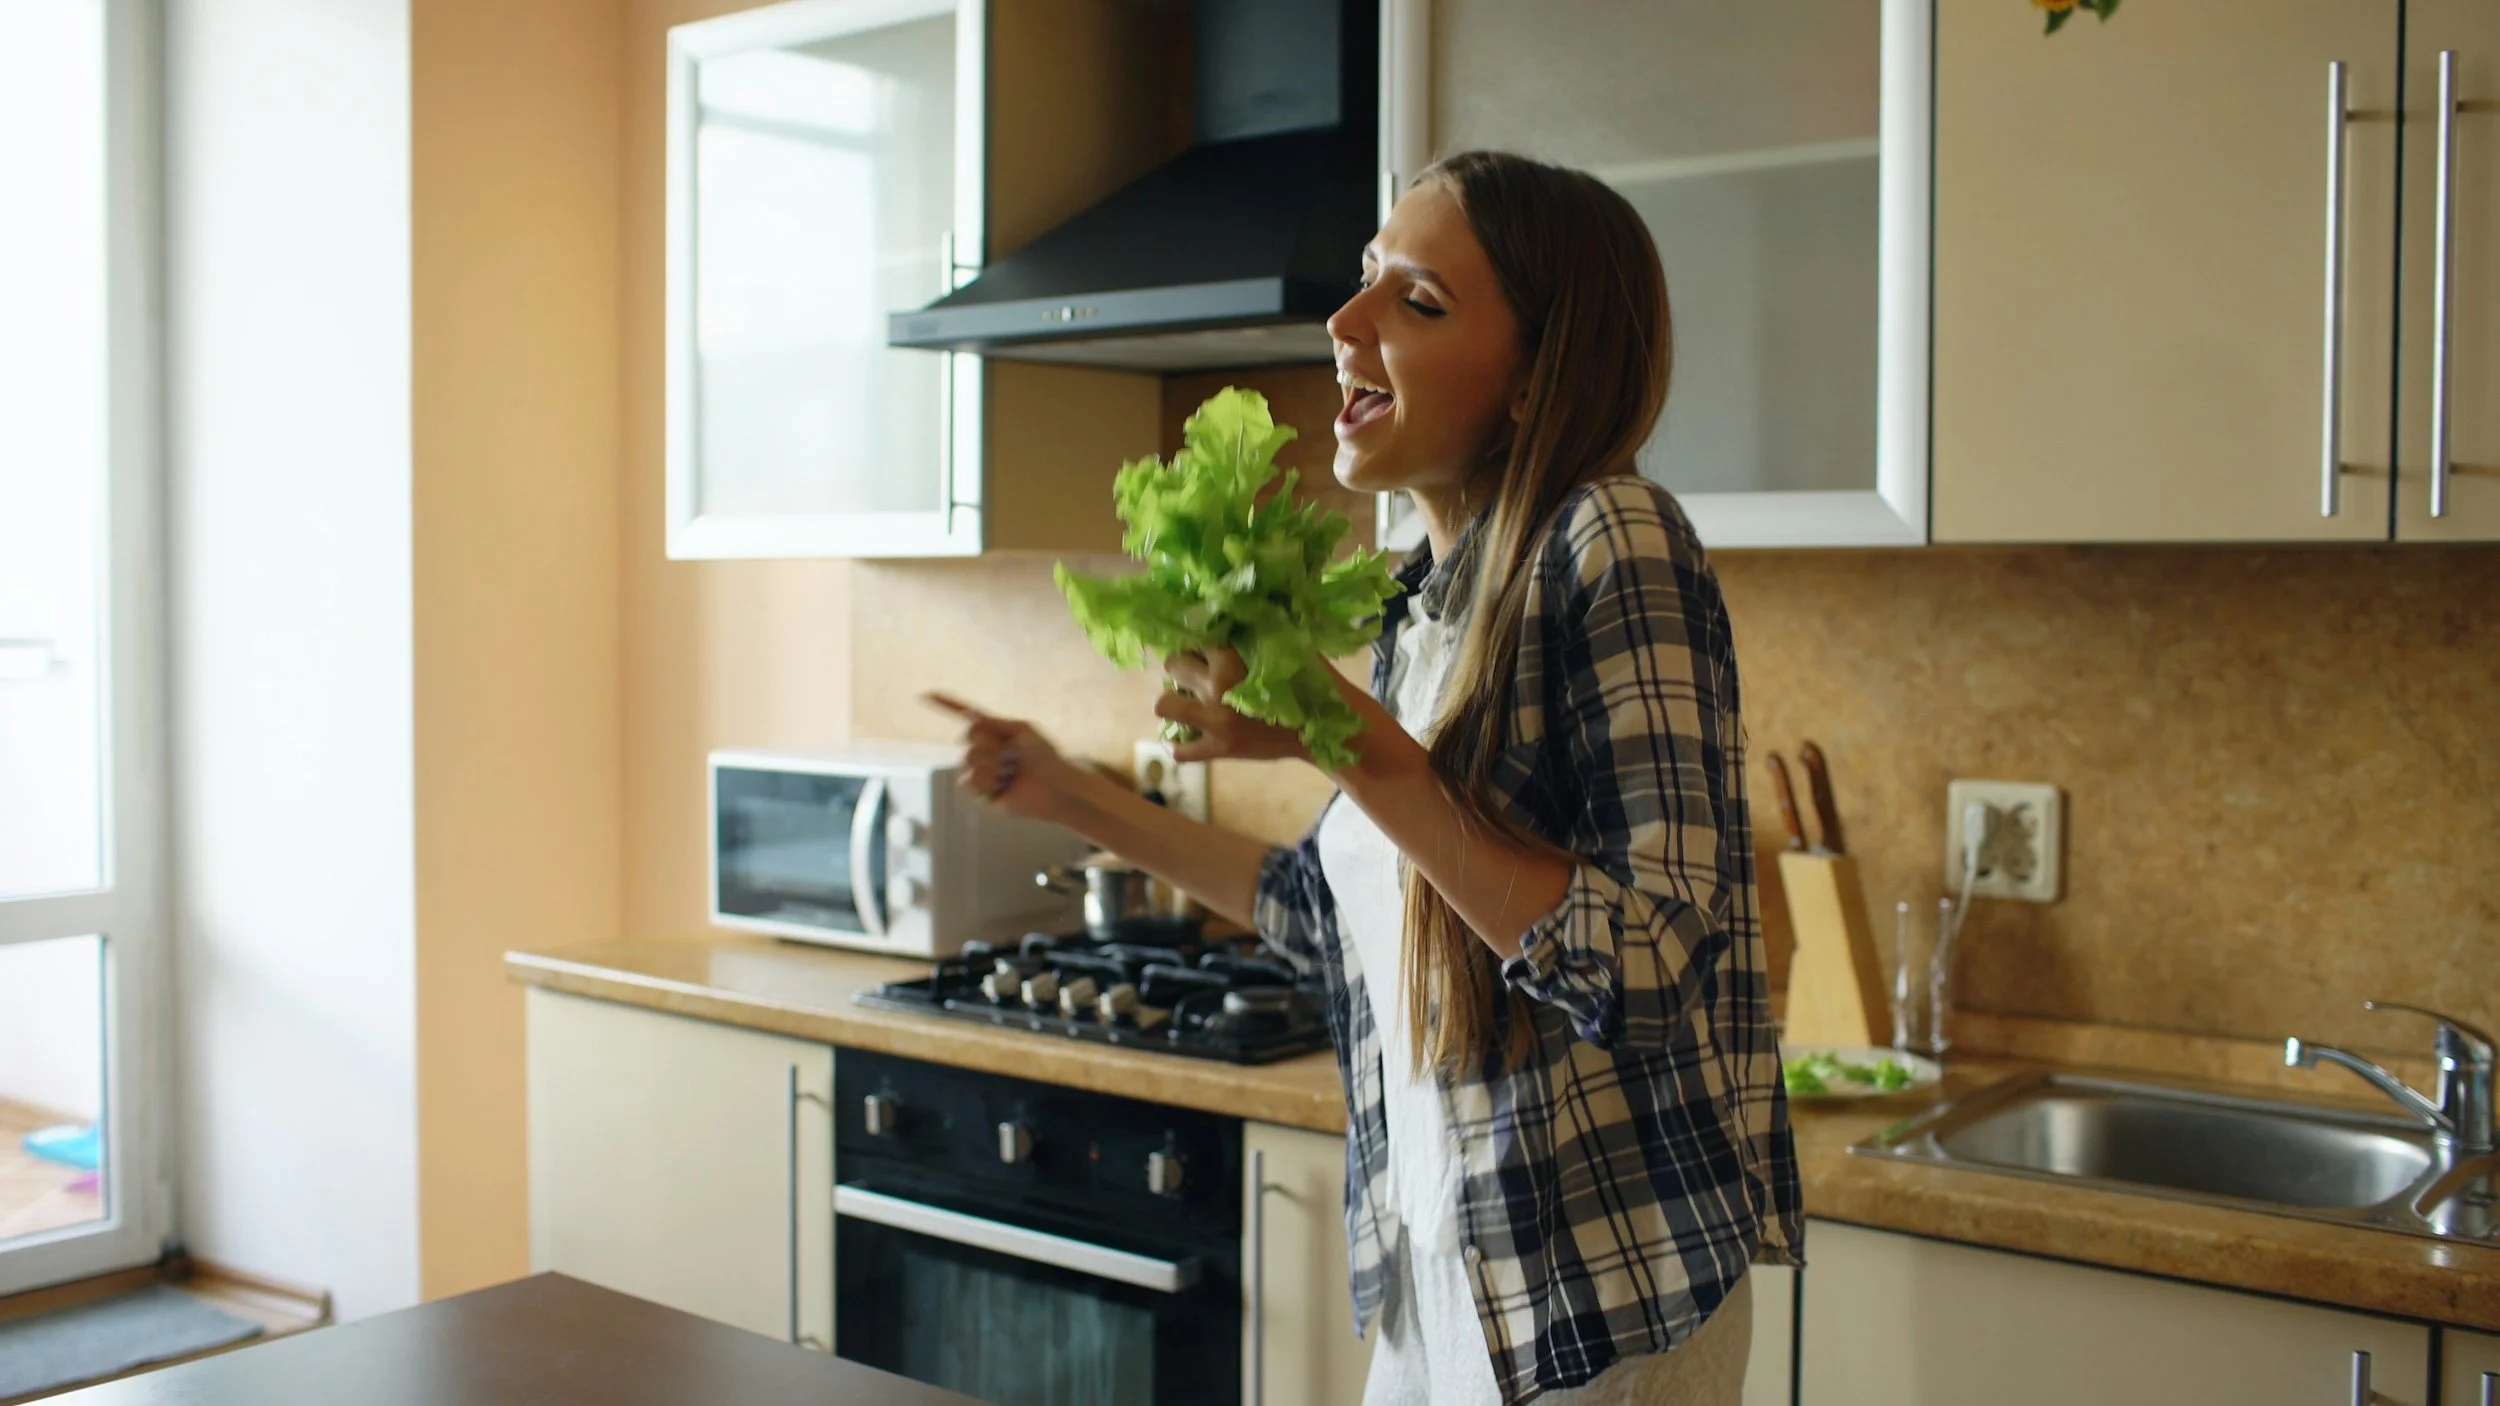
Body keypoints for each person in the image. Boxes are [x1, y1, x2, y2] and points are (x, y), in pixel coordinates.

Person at [927, 149, 1800, 1406]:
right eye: (1360, 285)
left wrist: (1341, 737)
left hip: (1592, 1303)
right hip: (1437, 1280)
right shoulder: (1422, 615)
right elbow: (1328, 917)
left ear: (1531, 379)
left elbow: (1653, 962)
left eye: (1417, 301)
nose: (1344, 326)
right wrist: (1069, 793)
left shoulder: (1613, 534)